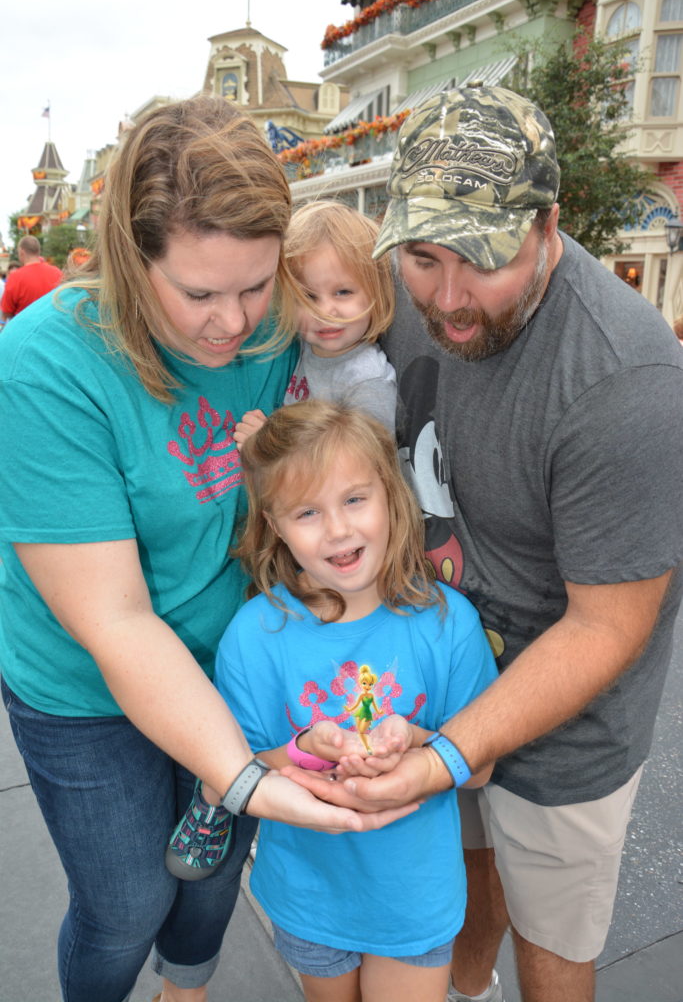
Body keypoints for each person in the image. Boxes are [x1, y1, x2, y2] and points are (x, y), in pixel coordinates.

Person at [0, 97, 411, 1002]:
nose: (234, 325)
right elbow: (114, 619)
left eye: (258, 286)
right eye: (198, 294)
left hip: (230, 654)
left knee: (212, 873)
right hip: (83, 681)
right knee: (125, 900)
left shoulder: (278, 325)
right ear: (127, 256)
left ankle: (183, 993)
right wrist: (244, 780)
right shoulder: (42, 367)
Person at [285, 86, 683, 1002]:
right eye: (423, 259)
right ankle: (466, 991)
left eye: (483, 260)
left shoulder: (626, 382)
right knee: (461, 880)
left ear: (549, 223)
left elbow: (603, 629)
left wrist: (449, 752)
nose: (448, 297)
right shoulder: (398, 290)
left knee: (550, 940)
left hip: (563, 722)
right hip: (425, 670)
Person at [168, 399, 498, 1002]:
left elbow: (480, 769)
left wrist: (419, 740)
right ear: (273, 523)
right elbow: (233, 771)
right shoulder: (253, 634)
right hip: (307, 891)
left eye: (354, 499)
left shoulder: (449, 624)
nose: (339, 529)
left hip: (416, 896)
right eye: (307, 512)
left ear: (391, 497)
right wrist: (303, 750)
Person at [234, 199, 396, 447]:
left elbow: (357, 471)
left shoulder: (367, 382)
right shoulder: (306, 347)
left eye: (343, 292)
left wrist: (268, 446)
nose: (324, 312)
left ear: (377, 292)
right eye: (307, 297)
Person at [0, 233, 62, 323]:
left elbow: (7, 312)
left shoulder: (15, 277)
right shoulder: (57, 273)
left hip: (24, 328)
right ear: (38, 251)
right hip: (51, 327)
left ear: (21, 252)